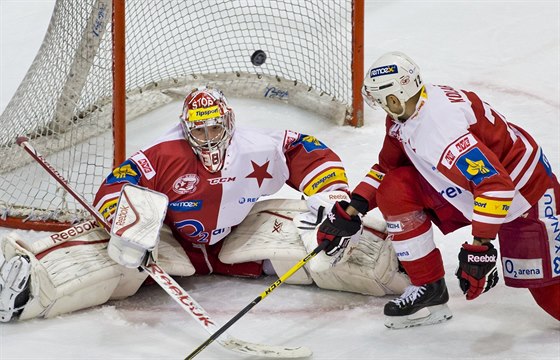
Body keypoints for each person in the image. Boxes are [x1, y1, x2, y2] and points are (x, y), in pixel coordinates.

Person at [0, 87, 409, 322]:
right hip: (169, 240)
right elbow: (116, 186)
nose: (209, 136)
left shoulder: (257, 145)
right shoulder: (163, 152)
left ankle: (397, 260)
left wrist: (332, 197)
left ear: (229, 121)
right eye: (200, 129)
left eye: (216, 127)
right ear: (186, 128)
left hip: (236, 235)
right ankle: (28, 283)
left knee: (320, 249)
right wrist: (127, 227)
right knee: (121, 271)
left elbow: (309, 152)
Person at [316, 51, 560, 329]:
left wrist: (479, 247)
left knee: (552, 298)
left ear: (394, 98)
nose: (380, 106)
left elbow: (496, 187)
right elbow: (387, 167)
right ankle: (428, 288)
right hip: (472, 186)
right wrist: (351, 210)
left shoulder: (442, 130)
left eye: (380, 100)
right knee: (394, 188)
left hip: (524, 196)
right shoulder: (407, 112)